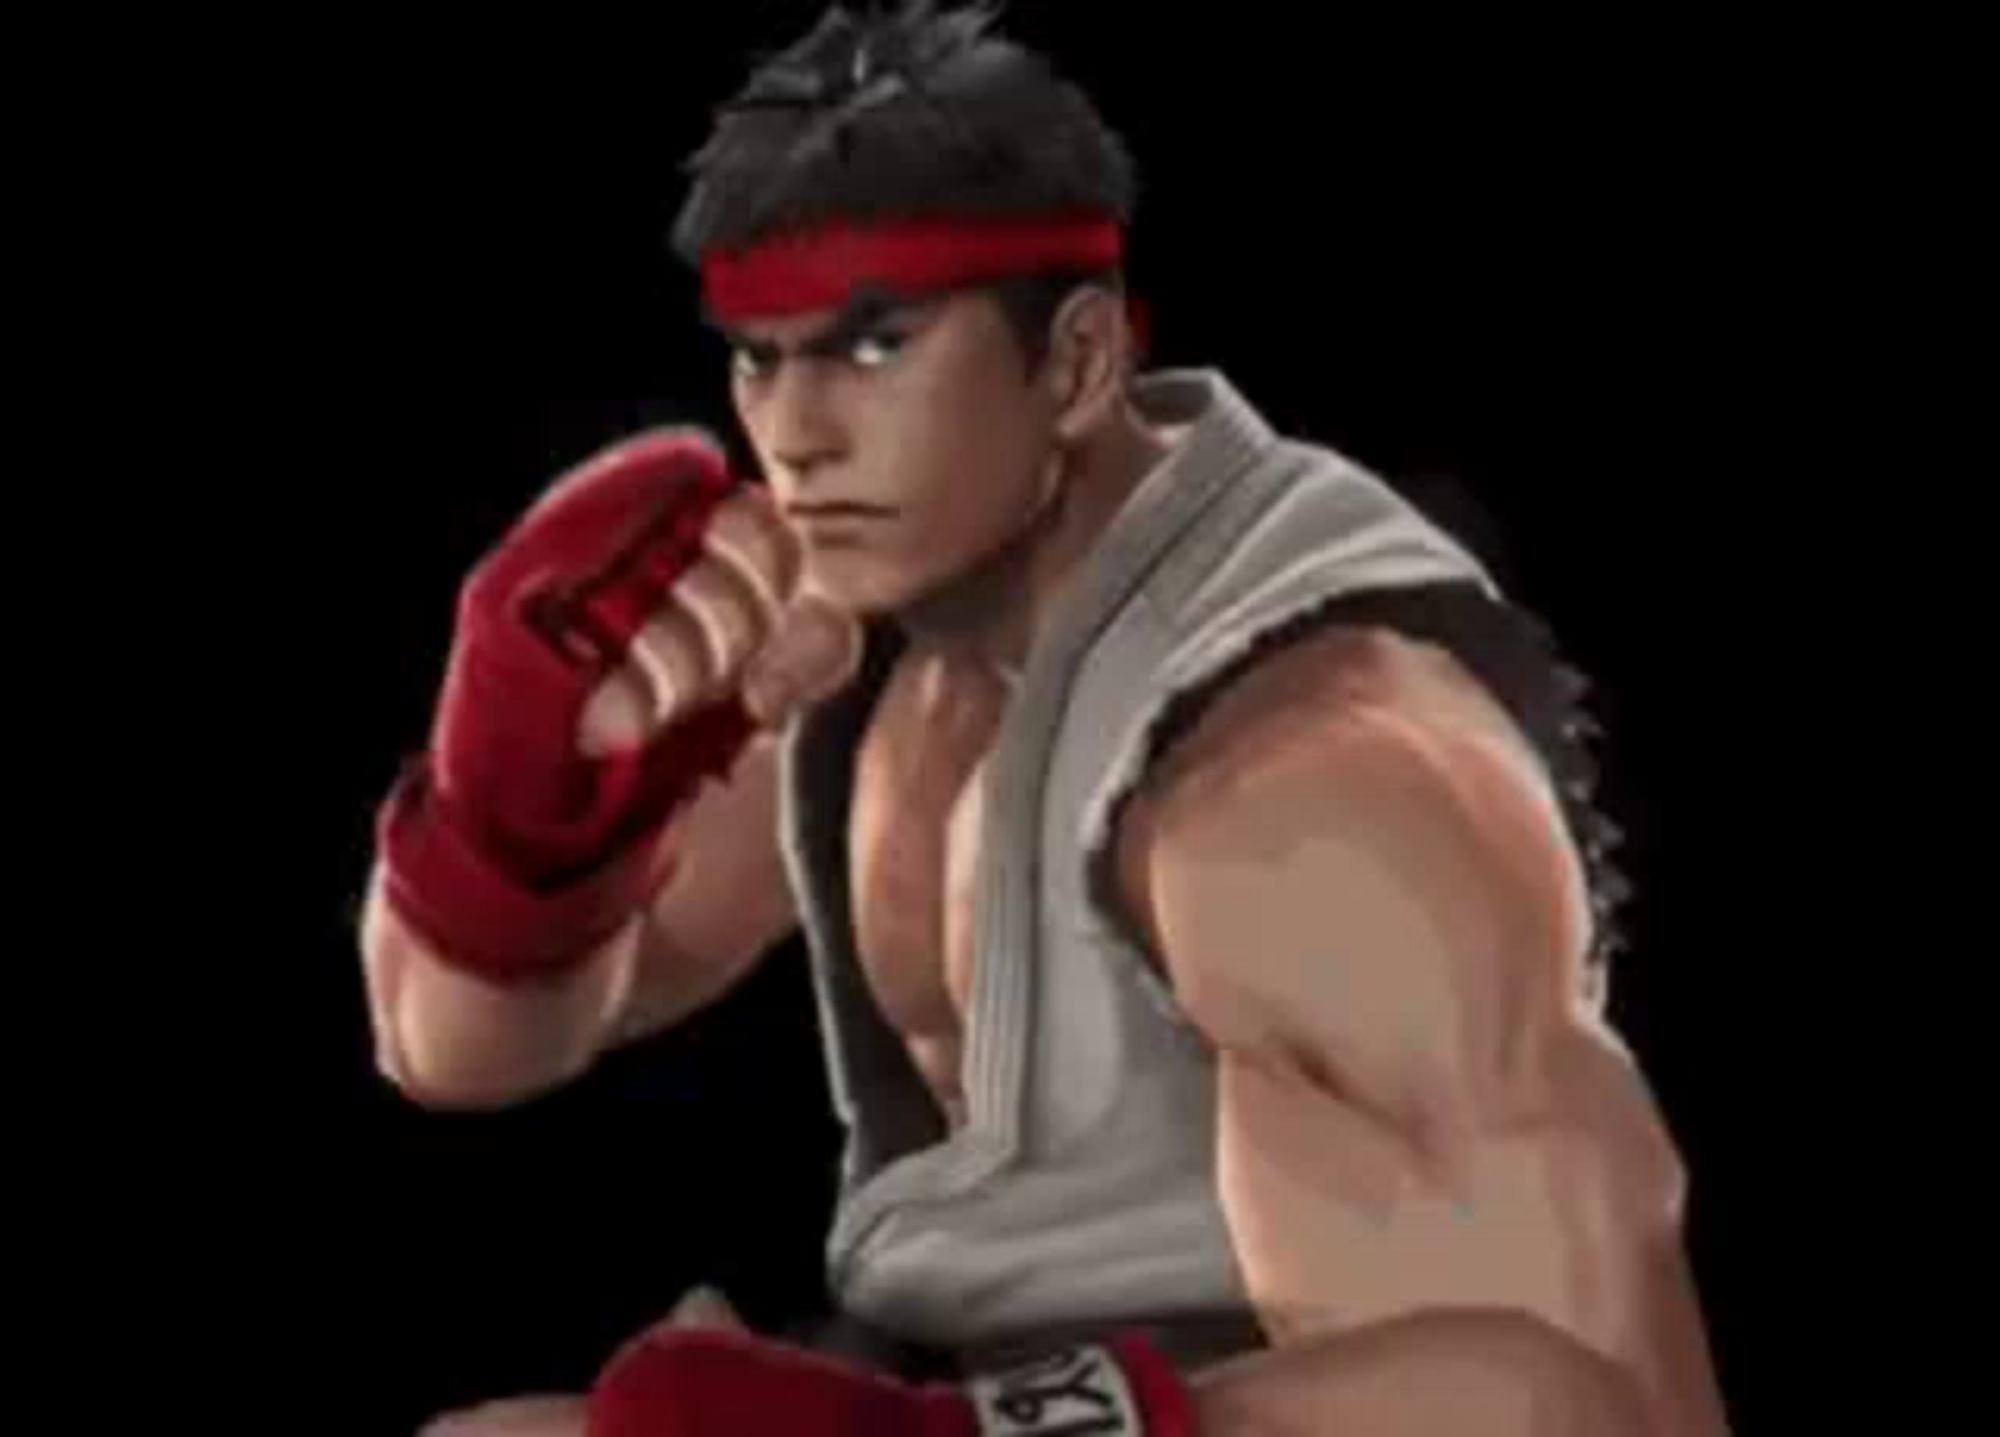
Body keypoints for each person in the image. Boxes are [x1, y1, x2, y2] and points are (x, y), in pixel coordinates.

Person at [362, 4, 1731, 1433]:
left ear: (1075, 363)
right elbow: (444, 1045)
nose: (799, 435)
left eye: (874, 347)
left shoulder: (1310, 792)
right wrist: (518, 809)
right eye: (763, 358)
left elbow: (1605, 1409)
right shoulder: (850, 640)